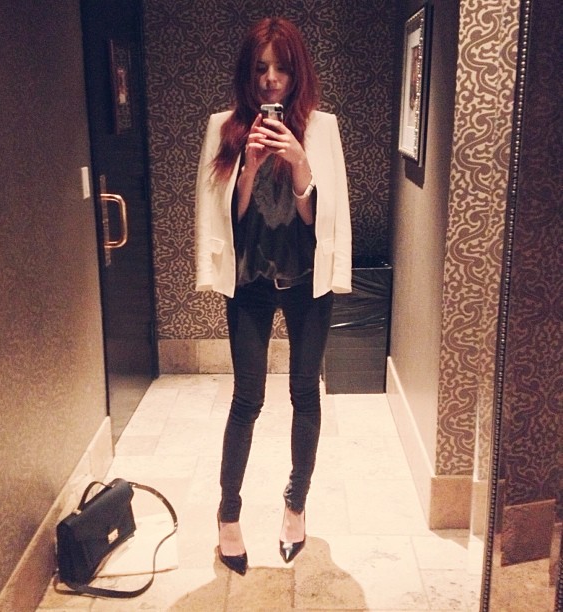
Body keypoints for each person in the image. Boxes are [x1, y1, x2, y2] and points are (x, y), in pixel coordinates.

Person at [195, 17, 352, 576]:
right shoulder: (224, 127)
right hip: (251, 281)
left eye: (281, 68)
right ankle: (228, 515)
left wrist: (300, 164)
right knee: (247, 398)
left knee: (306, 394)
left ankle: (295, 507)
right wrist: (250, 168)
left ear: (297, 72)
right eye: (261, 68)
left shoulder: (323, 129)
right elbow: (224, 218)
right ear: (248, 72)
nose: (270, 79)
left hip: (307, 279)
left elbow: (321, 219)